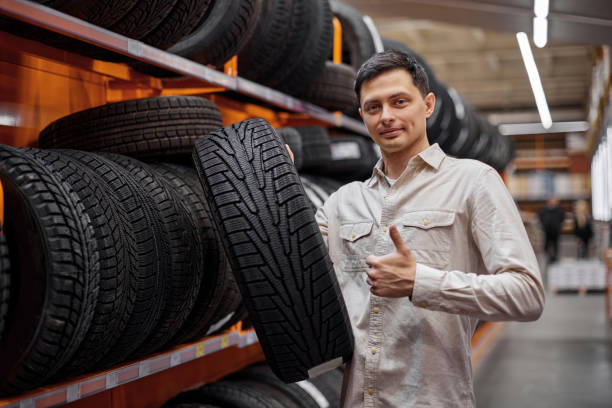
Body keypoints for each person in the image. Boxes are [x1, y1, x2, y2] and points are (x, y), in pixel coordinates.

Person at [313, 50, 545, 407]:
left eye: (400, 101)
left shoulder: (474, 182)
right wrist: (272, 178)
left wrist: (419, 282)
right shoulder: (341, 203)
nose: (387, 116)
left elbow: (526, 294)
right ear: (362, 116)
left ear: (428, 104)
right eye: (373, 107)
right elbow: (293, 268)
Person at [538, 197, 566, 263]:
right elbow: (540, 216)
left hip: (555, 230)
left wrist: (559, 225)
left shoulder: (559, 210)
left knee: (555, 244)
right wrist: (544, 224)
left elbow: (562, 217)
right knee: (547, 244)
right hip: (547, 230)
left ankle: (555, 257)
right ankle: (546, 257)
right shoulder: (544, 209)